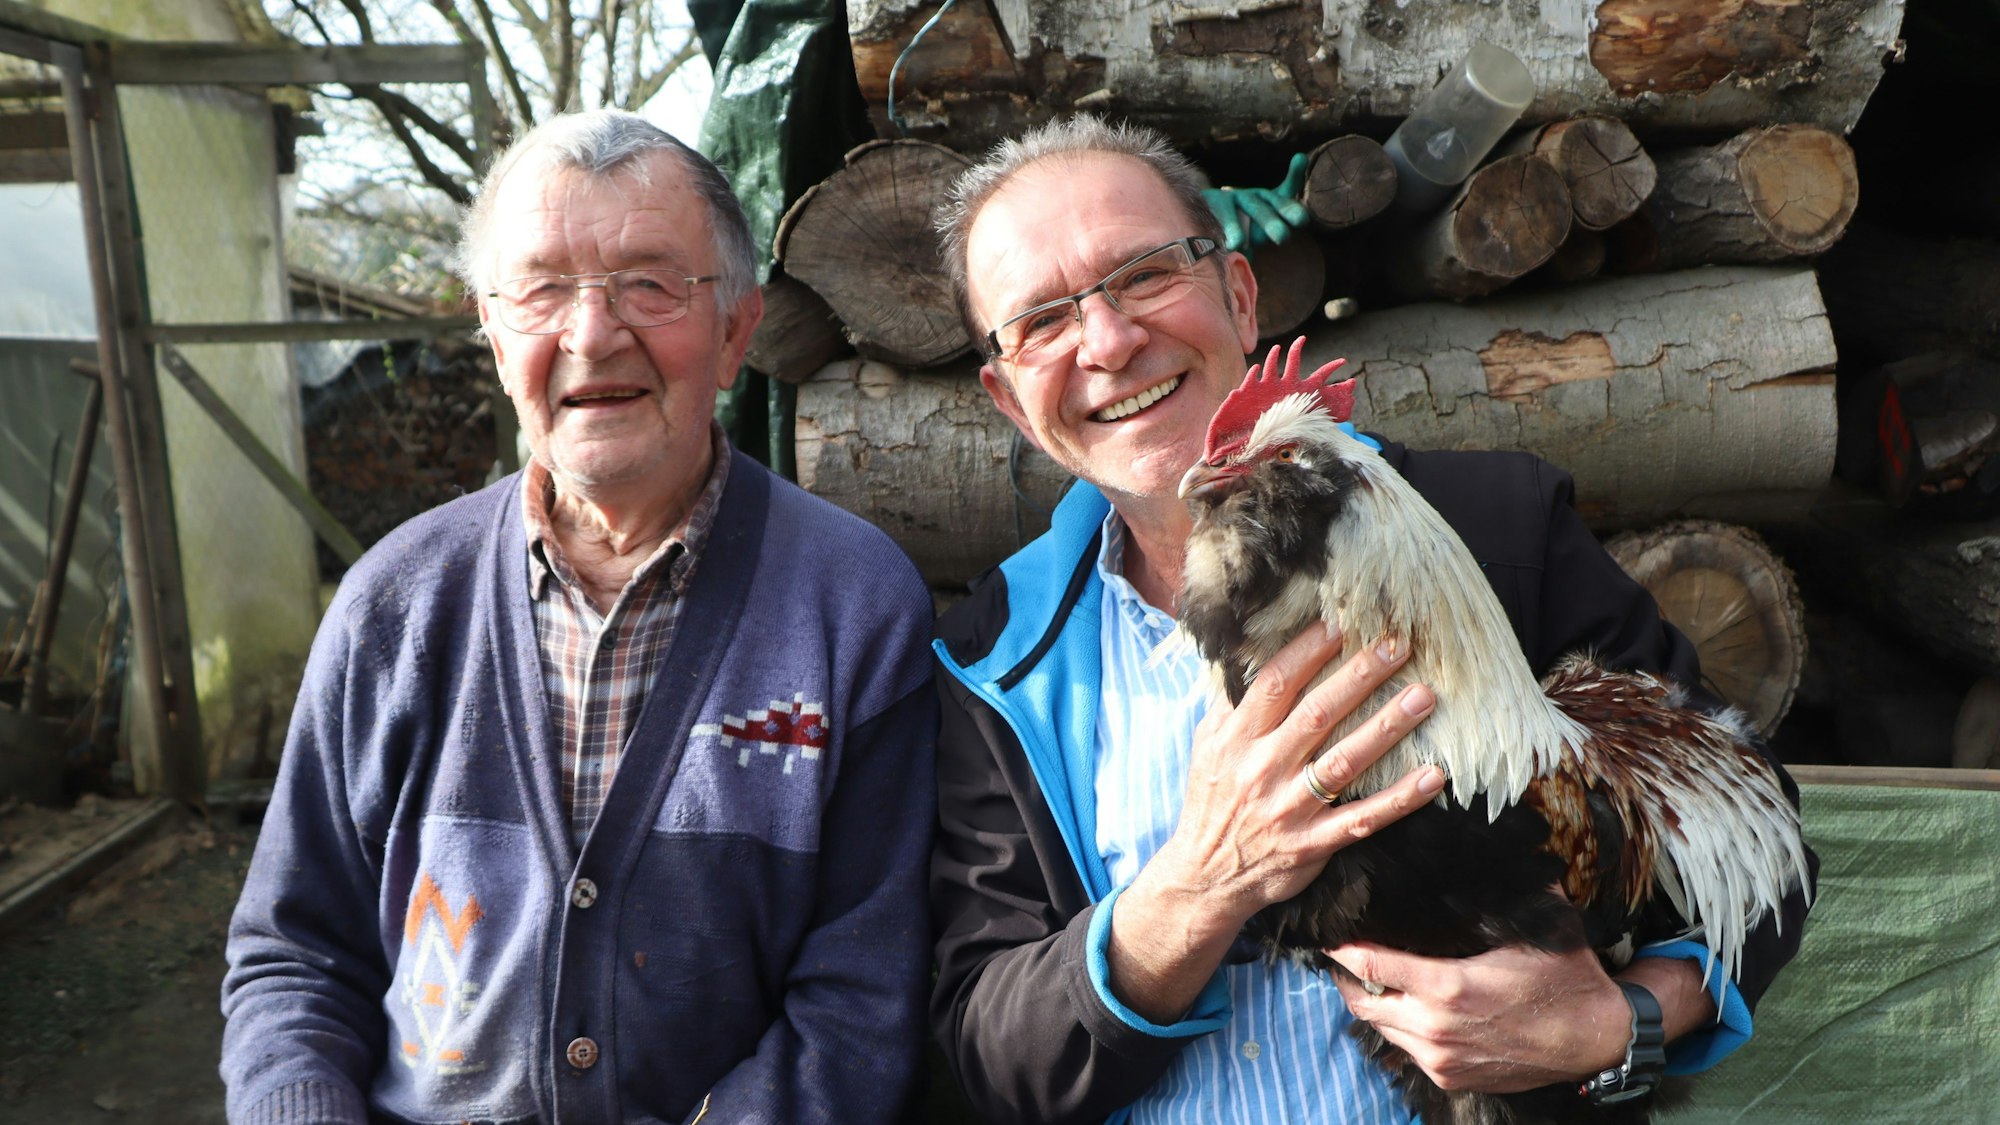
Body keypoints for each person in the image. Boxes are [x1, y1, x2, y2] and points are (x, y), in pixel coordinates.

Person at [928, 114, 1816, 1124]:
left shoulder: (1497, 532)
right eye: (1042, 319)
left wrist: (1622, 1025)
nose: (1109, 341)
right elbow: (986, 1045)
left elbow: (1754, 850)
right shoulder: (989, 660)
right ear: (1006, 398)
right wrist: (1196, 888)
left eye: (1142, 275)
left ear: (1239, 293)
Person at [220, 110, 938, 1125]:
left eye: (649, 283)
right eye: (542, 289)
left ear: (737, 329)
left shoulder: (854, 605)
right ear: (492, 328)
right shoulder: (393, 605)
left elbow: (865, 993)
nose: (592, 334)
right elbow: (296, 952)